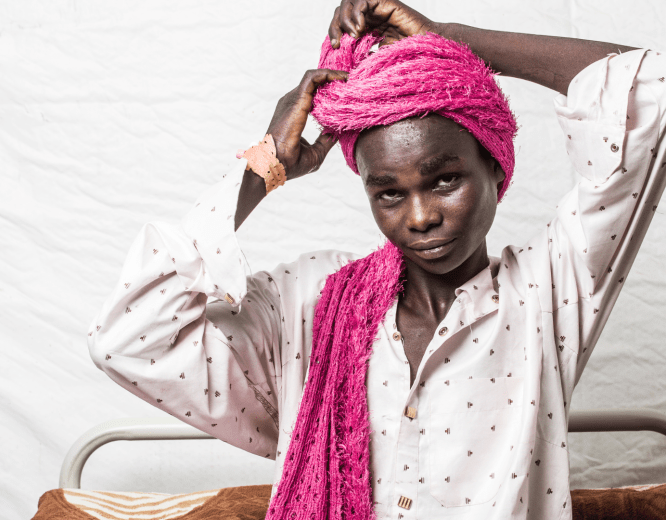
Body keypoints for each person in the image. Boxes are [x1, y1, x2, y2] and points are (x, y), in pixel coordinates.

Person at [87, 1, 666, 518]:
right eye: (388, 192)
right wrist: (261, 168)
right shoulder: (309, 305)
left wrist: (453, 41)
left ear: (494, 167)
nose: (419, 217)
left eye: (444, 180)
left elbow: (649, 93)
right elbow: (130, 339)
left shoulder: (546, 291)